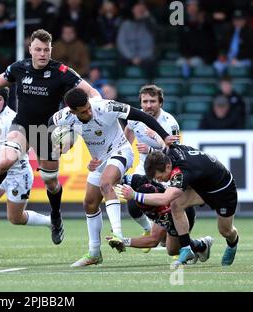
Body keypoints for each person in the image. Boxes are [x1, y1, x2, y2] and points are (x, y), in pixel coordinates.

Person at [0, 29, 102, 245]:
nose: (42, 53)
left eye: (46, 49)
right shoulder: (20, 67)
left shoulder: (62, 71)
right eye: (38, 49)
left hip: (48, 131)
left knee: (51, 182)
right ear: (31, 50)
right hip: (23, 126)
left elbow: (91, 92)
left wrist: (97, 105)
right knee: (6, 160)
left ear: (51, 50)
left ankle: (55, 216)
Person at [51, 87, 178, 267]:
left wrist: (164, 136)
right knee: (89, 203)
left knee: (106, 183)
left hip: (121, 151)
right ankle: (94, 253)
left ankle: (117, 233)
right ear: (72, 111)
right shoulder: (64, 116)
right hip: (99, 159)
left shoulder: (105, 107)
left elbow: (141, 116)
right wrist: (53, 147)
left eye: (88, 107)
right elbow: (50, 123)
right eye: (84, 111)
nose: (89, 111)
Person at [115, 146, 239, 267]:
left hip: (222, 190)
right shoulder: (168, 154)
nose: (161, 181)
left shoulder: (180, 173)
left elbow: (165, 198)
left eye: (159, 177)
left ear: (168, 167)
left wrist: (135, 195)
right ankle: (186, 248)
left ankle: (233, 244)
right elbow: (165, 142)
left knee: (225, 231)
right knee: (176, 204)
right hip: (200, 186)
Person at [0, 87, 51, 258]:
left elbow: (24, 147)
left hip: (18, 173)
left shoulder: (14, 119)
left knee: (15, 218)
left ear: (5, 101)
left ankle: (51, 221)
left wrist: (0, 163)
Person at [107, 174, 213, 264]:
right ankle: (191, 247)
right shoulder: (141, 181)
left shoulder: (165, 212)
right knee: (164, 240)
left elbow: (153, 241)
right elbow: (116, 177)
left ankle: (202, 245)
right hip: (169, 203)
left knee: (171, 249)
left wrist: (123, 241)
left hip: (183, 212)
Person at [124, 85, 180, 252]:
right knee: (133, 203)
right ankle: (148, 230)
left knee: (166, 240)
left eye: (152, 101)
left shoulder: (170, 123)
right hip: (144, 167)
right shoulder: (134, 118)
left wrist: (151, 149)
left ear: (160, 103)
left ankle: (182, 241)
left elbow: (174, 154)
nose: (148, 105)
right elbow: (128, 131)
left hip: (165, 172)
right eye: (145, 101)